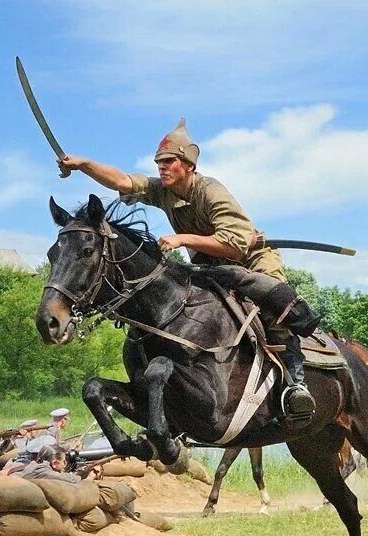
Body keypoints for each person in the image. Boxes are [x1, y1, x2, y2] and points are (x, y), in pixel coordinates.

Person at [57, 119, 319, 426]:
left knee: (275, 311)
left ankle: (296, 385)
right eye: (159, 163)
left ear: (188, 165)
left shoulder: (212, 191)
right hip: (214, 267)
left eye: (169, 162)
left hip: (251, 261)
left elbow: (234, 245)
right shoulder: (164, 191)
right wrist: (84, 164)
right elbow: (122, 182)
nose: (161, 168)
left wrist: (183, 239)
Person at [18, 446, 101, 483]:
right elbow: (70, 480)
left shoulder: (34, 465)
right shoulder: (41, 471)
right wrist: (90, 477)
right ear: (54, 463)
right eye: (64, 461)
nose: (65, 464)